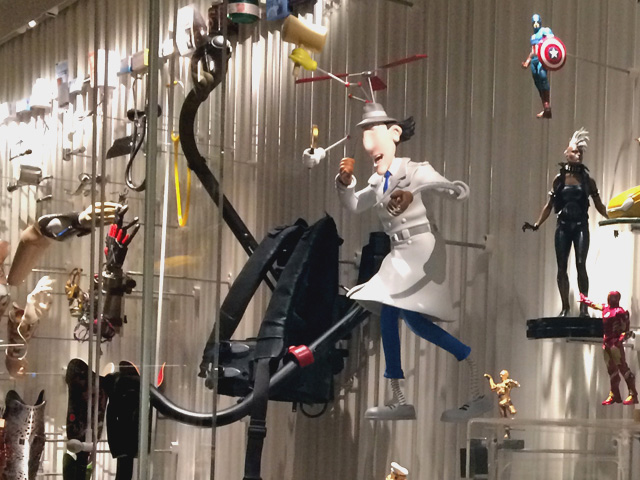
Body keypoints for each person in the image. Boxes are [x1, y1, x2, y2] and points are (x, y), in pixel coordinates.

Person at [336, 102, 490, 421]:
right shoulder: (377, 182)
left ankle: (473, 384)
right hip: (398, 253)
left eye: (373, 135)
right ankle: (402, 398)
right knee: (401, 317)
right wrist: (345, 183)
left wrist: (413, 191)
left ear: (394, 133)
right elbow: (354, 204)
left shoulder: (416, 170)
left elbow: (455, 191)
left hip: (422, 249)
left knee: (400, 314)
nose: (369, 148)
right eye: (365, 139)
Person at [523, 128, 608, 317]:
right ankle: (565, 307)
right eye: (574, 151)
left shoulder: (588, 180)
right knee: (561, 266)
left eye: (580, 152)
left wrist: (611, 218)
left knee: (580, 264)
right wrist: (537, 224)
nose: (578, 155)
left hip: (580, 226)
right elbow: (549, 205)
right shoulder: (559, 179)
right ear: (566, 153)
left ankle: (584, 307)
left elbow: (599, 205)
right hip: (563, 226)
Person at [580, 291, 638, 405]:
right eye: (609, 297)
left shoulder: (620, 311)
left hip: (615, 343)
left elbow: (626, 328)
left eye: (612, 297)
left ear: (616, 299)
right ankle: (614, 394)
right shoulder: (605, 308)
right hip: (606, 343)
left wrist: (621, 339)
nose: (610, 299)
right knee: (611, 369)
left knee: (623, 368)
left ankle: (633, 394)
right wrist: (584, 299)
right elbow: (594, 305)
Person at [522, 13, 554, 118]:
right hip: (534, 60)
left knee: (542, 76)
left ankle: (547, 105)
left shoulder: (545, 31)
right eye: (534, 22)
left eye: (537, 22)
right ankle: (545, 107)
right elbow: (533, 51)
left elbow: (552, 42)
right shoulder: (533, 37)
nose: (536, 24)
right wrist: (527, 61)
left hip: (542, 57)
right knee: (537, 81)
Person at [485, 370, 520, 438]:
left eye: (502, 375)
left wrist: (512, 382)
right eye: (500, 375)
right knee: (504, 419)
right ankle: (507, 432)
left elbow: (517, 384)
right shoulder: (500, 385)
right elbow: (493, 387)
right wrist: (490, 379)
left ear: (506, 375)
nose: (501, 376)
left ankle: (512, 422)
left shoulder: (508, 382)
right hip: (501, 403)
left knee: (513, 412)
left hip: (506, 401)